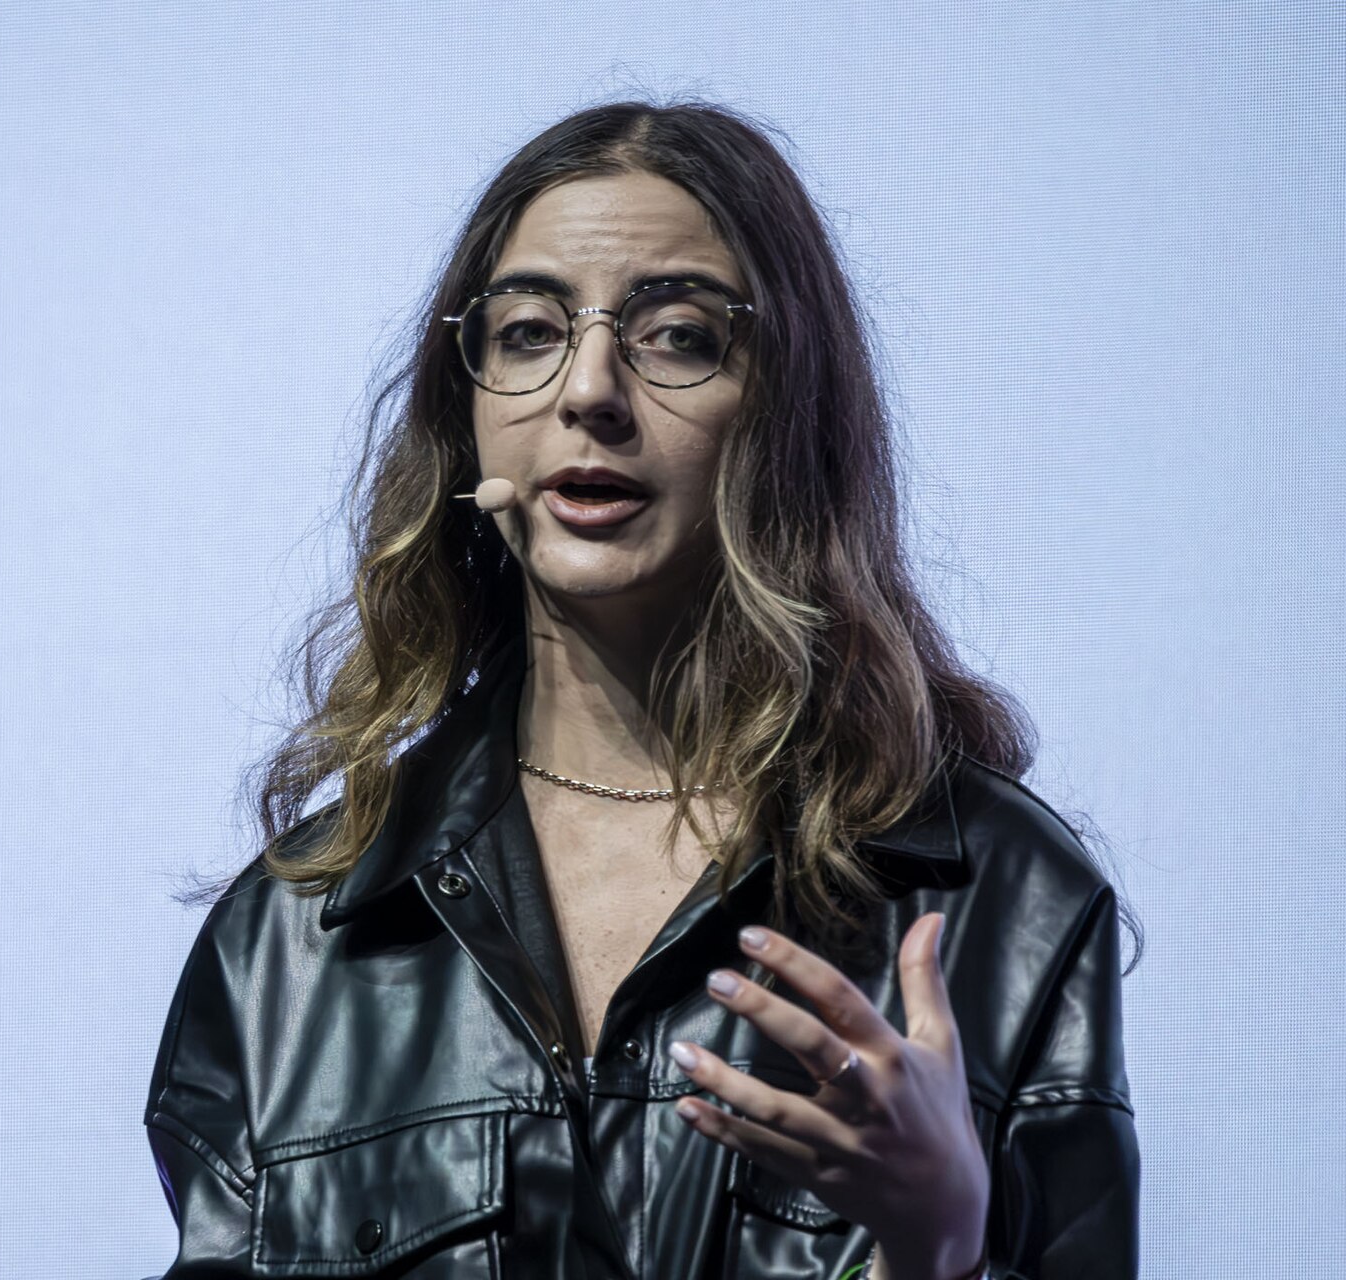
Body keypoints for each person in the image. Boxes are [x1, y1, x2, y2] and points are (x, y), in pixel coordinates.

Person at [142, 101, 1140, 1279]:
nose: (591, 390)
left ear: (785, 408)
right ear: (467, 421)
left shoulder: (995, 899)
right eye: (528, 330)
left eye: (677, 335)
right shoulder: (293, 942)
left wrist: (939, 1255)